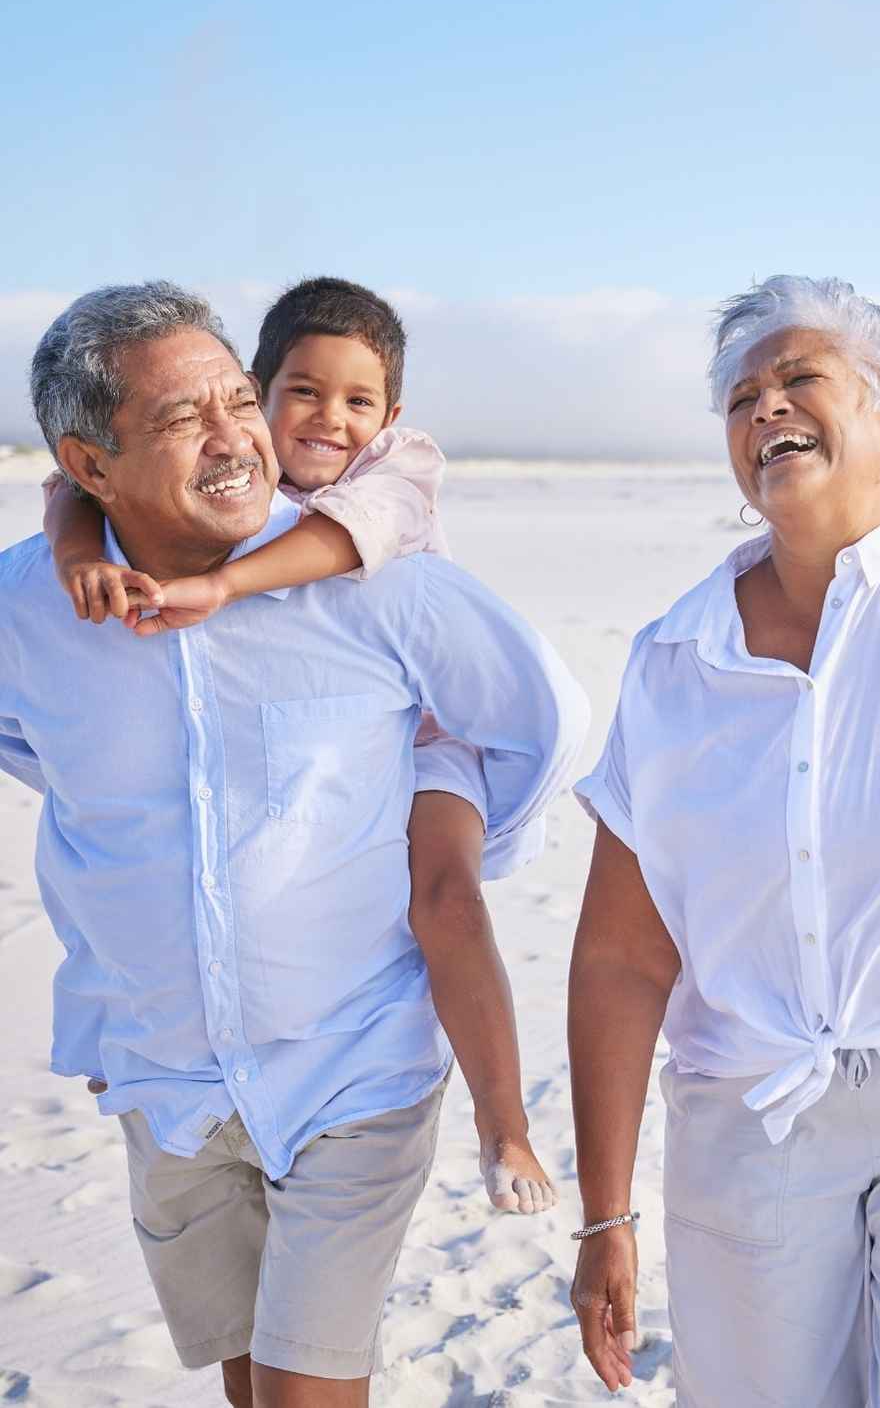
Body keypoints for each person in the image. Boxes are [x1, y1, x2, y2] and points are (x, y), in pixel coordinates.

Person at [0, 281, 589, 1408]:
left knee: (303, 1392)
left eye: (235, 400)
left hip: (350, 1063)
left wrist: (451, 827)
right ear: (87, 464)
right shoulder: (30, 608)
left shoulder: (380, 578)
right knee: (247, 1380)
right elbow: (31, 749)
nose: (234, 438)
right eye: (185, 418)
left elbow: (542, 725)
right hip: (163, 1078)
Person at [567, 274, 880, 1408]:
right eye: (742, 398)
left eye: (798, 378)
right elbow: (622, 957)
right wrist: (604, 1216)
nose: (766, 409)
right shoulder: (671, 660)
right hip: (751, 1120)